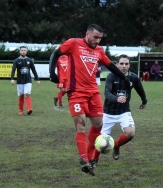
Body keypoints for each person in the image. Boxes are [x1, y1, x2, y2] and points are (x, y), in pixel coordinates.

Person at [49, 24, 131, 176]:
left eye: (100, 38)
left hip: (93, 93)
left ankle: (90, 159)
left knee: (98, 124)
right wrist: (52, 73)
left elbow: (110, 65)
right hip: (76, 92)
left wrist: (123, 78)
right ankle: (84, 159)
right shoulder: (74, 43)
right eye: (95, 37)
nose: (98, 41)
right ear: (87, 34)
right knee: (81, 125)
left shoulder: (99, 50)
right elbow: (55, 53)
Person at [95, 54, 147, 162]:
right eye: (121, 64)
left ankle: (116, 145)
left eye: (126, 64)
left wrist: (144, 101)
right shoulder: (111, 76)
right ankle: (93, 162)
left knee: (130, 133)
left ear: (129, 65)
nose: (124, 66)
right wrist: (116, 98)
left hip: (124, 111)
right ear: (117, 64)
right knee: (100, 140)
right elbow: (107, 93)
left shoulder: (133, 77)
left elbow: (140, 90)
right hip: (108, 113)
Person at [10, 46, 40, 115]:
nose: (23, 51)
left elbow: (33, 70)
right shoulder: (16, 61)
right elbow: (13, 70)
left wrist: (37, 79)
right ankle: (21, 110)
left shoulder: (29, 60)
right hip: (20, 81)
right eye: (22, 50)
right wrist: (12, 79)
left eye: (24, 50)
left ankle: (29, 109)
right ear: (20, 51)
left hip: (28, 81)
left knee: (27, 94)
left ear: (26, 51)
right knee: (21, 95)